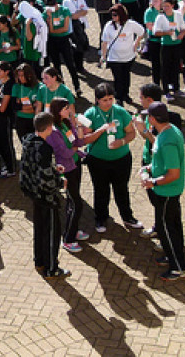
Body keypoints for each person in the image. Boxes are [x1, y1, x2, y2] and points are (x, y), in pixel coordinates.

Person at [81, 82, 143, 233]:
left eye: (110, 99)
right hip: (98, 161)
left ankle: (128, 217)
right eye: (104, 100)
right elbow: (85, 139)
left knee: (122, 189)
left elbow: (131, 133)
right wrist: (100, 130)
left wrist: (121, 142)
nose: (108, 103)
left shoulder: (120, 112)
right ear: (97, 100)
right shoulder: (90, 114)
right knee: (101, 190)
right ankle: (101, 218)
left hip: (121, 159)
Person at [140, 102, 185, 281]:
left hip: (167, 192)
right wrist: (149, 168)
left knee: (165, 228)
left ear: (153, 119)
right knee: (173, 225)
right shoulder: (168, 131)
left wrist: (152, 182)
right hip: (168, 191)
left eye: (148, 117)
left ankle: (178, 267)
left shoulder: (168, 140)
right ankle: (172, 255)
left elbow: (173, 173)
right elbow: (162, 162)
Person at [20, 112, 69, 278]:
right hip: (46, 197)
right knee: (52, 233)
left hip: (34, 194)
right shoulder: (45, 148)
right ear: (48, 128)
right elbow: (45, 178)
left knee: (39, 228)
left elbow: (33, 167)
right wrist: (60, 183)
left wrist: (54, 169)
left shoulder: (28, 140)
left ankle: (39, 260)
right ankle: (51, 268)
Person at [47, 98, 89, 252]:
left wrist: (79, 127)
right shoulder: (54, 131)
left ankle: (73, 229)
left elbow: (79, 142)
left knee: (73, 201)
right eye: (66, 108)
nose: (69, 110)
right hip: (67, 169)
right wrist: (74, 148)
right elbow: (64, 152)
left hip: (76, 164)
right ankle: (68, 239)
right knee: (76, 203)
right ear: (58, 111)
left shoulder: (66, 123)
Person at [101, 4, 145, 105]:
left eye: (115, 15)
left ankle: (126, 94)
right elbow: (104, 42)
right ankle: (119, 97)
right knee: (118, 78)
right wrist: (103, 56)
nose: (113, 17)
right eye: (112, 15)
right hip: (114, 58)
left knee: (126, 77)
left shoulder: (131, 24)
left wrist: (136, 43)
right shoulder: (109, 25)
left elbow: (141, 32)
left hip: (128, 57)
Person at [151, 0, 185, 99]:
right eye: (164, 6)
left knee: (176, 67)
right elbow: (155, 32)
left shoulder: (178, 15)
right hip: (166, 45)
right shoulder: (160, 17)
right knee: (165, 68)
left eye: (167, 6)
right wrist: (166, 33)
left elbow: (183, 28)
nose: (165, 8)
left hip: (177, 44)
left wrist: (181, 34)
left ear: (172, 6)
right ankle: (166, 90)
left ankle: (176, 88)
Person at [11, 63, 40, 141]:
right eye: (19, 75)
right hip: (21, 120)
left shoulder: (39, 87)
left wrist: (21, 106)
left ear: (29, 75)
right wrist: (31, 106)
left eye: (22, 75)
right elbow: (14, 106)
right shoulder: (16, 87)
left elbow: (39, 107)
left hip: (34, 120)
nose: (20, 78)